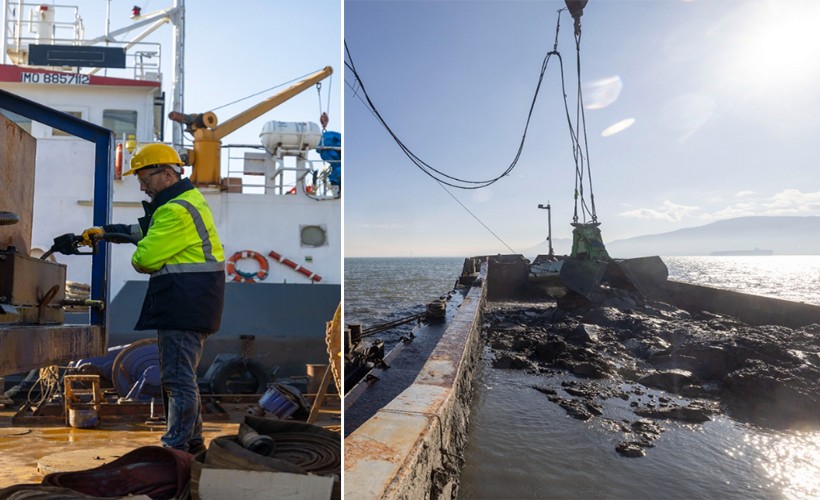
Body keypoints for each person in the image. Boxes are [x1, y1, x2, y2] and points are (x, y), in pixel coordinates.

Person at [82, 143, 225, 455]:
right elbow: (141, 229)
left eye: (145, 177)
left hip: (183, 304)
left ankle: (174, 447)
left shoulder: (175, 211)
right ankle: (193, 444)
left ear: (168, 173)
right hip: (192, 302)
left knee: (176, 379)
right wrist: (104, 232)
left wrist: (144, 251)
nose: (141, 184)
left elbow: (144, 259)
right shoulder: (185, 201)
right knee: (182, 377)